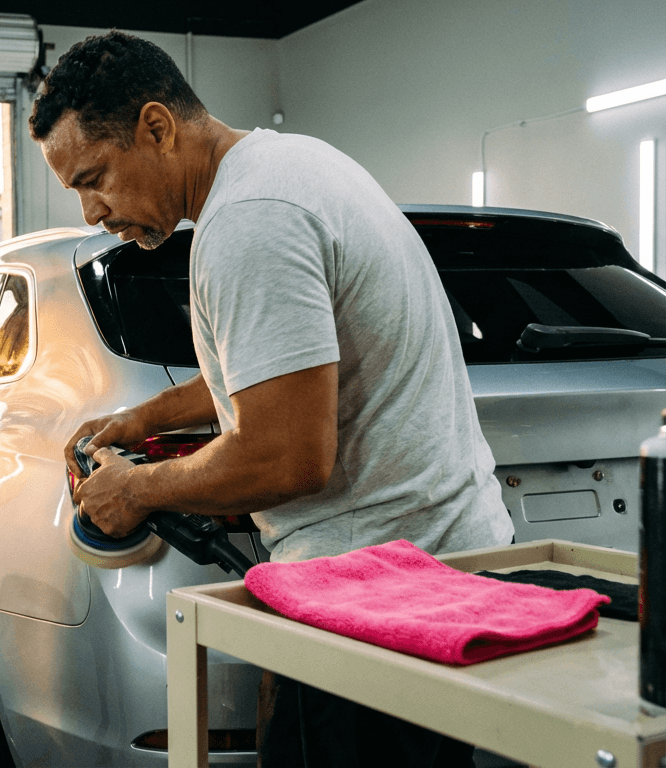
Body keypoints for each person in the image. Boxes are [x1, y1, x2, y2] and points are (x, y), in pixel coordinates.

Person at [29, 31, 514, 768]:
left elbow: (286, 456)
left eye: (94, 177)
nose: (93, 209)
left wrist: (135, 488)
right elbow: (276, 369)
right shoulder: (295, 165)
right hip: (433, 565)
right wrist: (144, 417)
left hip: (377, 602)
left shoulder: (249, 221)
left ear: (156, 128)